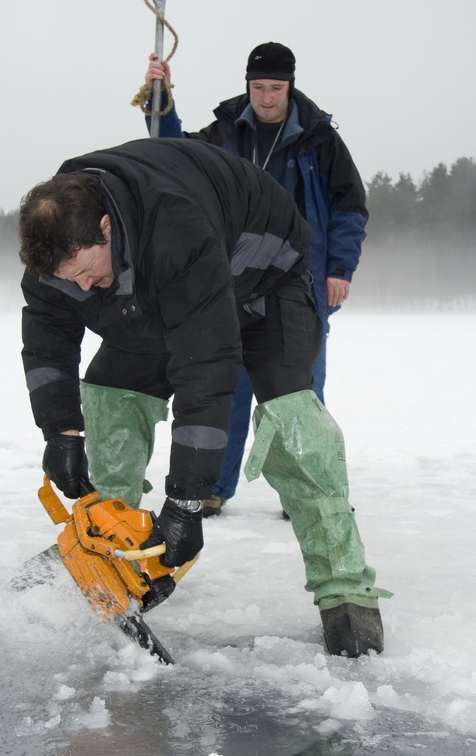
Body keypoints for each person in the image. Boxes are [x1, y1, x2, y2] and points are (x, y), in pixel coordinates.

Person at [19, 137, 389, 657]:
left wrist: (187, 501)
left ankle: (345, 588)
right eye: (69, 279)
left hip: (263, 280)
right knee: (111, 395)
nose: (82, 286)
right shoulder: (60, 248)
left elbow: (206, 369)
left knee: (293, 422)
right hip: (160, 284)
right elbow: (45, 344)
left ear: (105, 226)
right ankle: (108, 547)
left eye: (85, 271)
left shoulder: (174, 230)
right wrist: (60, 430)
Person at [143, 42, 368, 517]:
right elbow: (174, 155)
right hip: (236, 277)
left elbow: (349, 208)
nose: (267, 98)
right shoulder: (227, 131)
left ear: (290, 86)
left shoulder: (320, 140)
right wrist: (159, 99)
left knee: (299, 391)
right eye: (259, 87)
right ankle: (212, 487)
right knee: (228, 380)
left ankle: (307, 490)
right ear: (248, 86)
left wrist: (339, 270)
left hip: (300, 278)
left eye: (276, 88)